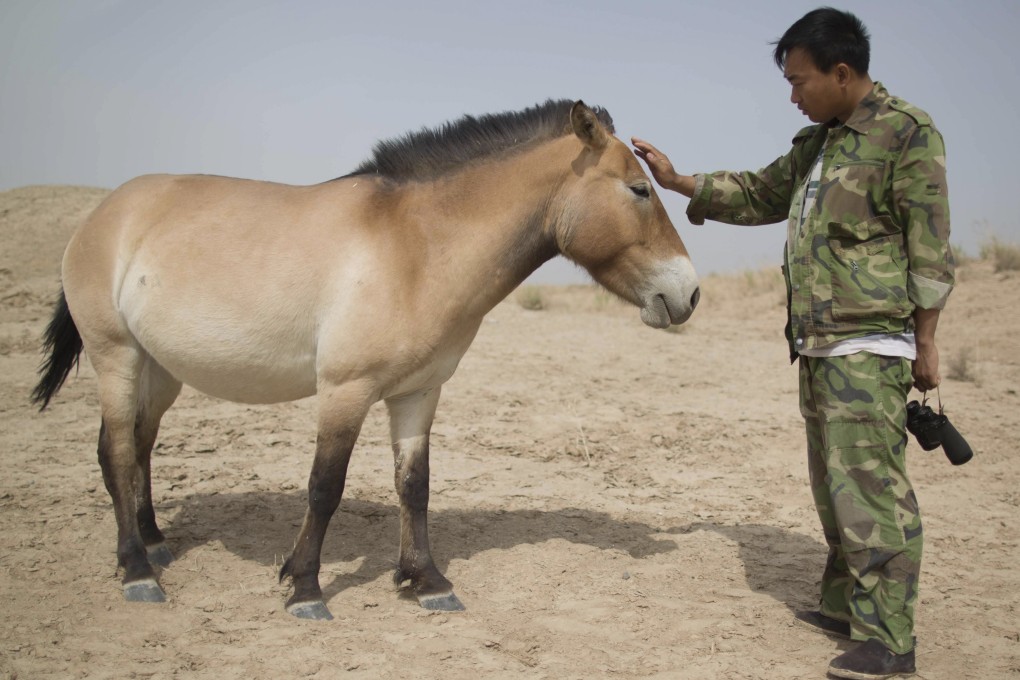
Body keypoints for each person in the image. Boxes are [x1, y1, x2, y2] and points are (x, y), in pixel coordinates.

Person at [632, 7, 954, 679]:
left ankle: (890, 641)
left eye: (799, 81)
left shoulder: (907, 134)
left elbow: (930, 248)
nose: (792, 94)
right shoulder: (818, 144)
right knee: (833, 487)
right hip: (817, 344)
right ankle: (843, 606)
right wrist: (681, 180)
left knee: (872, 493)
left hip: (870, 344)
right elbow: (760, 192)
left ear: (842, 73)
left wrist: (926, 342)